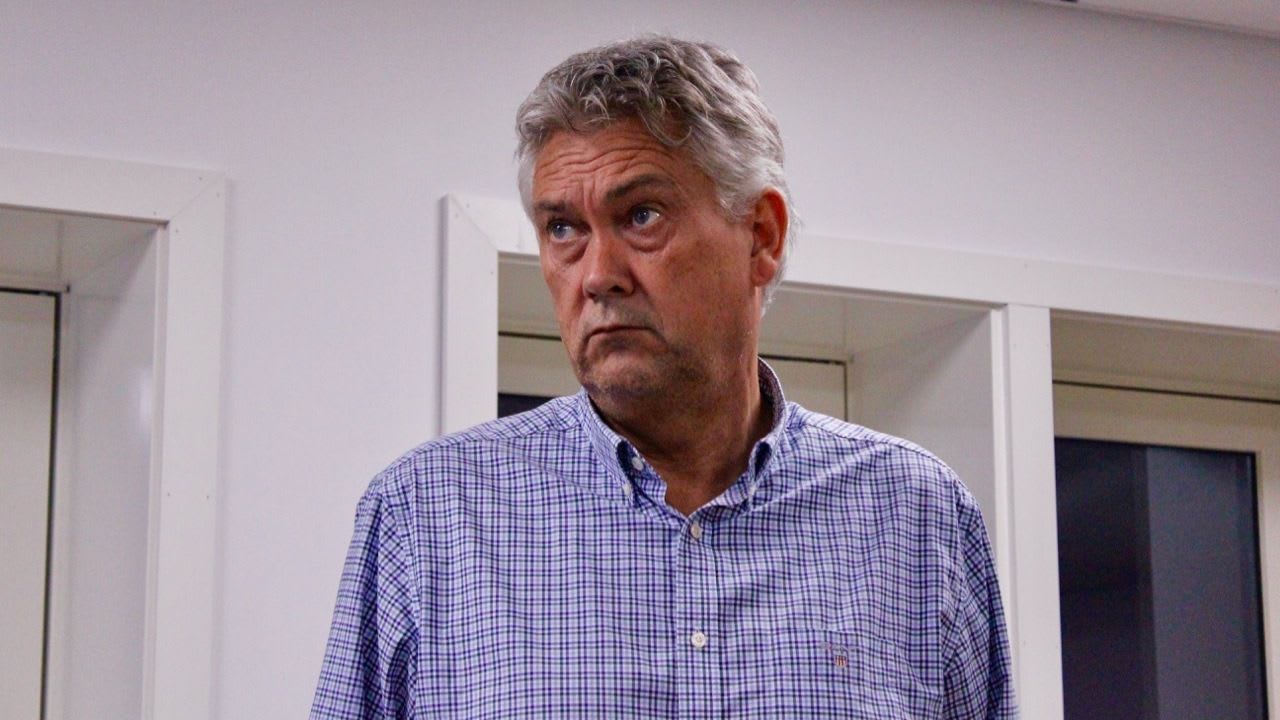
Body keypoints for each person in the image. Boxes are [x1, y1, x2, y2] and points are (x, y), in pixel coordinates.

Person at [311, 35, 1016, 719]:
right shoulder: (428, 515)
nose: (597, 276)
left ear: (761, 236)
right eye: (563, 229)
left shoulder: (918, 515)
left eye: (641, 216)